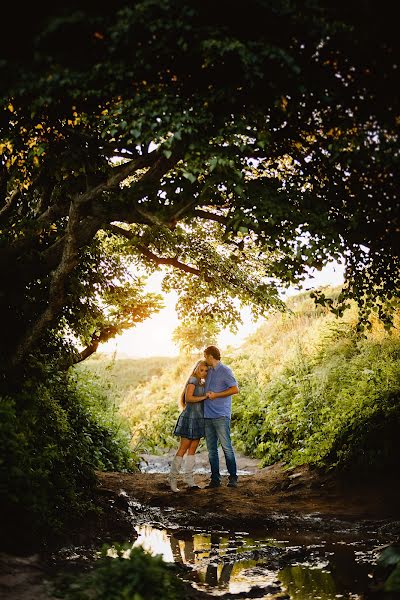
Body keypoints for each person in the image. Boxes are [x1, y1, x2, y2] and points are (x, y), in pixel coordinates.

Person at [168, 360, 210, 492]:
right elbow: (188, 399)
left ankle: (189, 479)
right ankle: (172, 479)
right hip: (189, 418)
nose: (203, 372)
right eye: (201, 370)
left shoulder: (201, 382)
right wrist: (204, 397)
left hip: (198, 419)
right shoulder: (192, 381)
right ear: (196, 369)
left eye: (206, 370)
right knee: (183, 449)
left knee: (192, 450)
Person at [203, 345, 239, 488]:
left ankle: (233, 478)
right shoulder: (209, 371)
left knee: (226, 448)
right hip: (207, 415)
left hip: (221, 415)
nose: (204, 359)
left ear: (211, 356)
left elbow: (235, 389)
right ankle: (215, 480)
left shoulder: (225, 371)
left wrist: (216, 395)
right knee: (211, 450)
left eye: (205, 356)